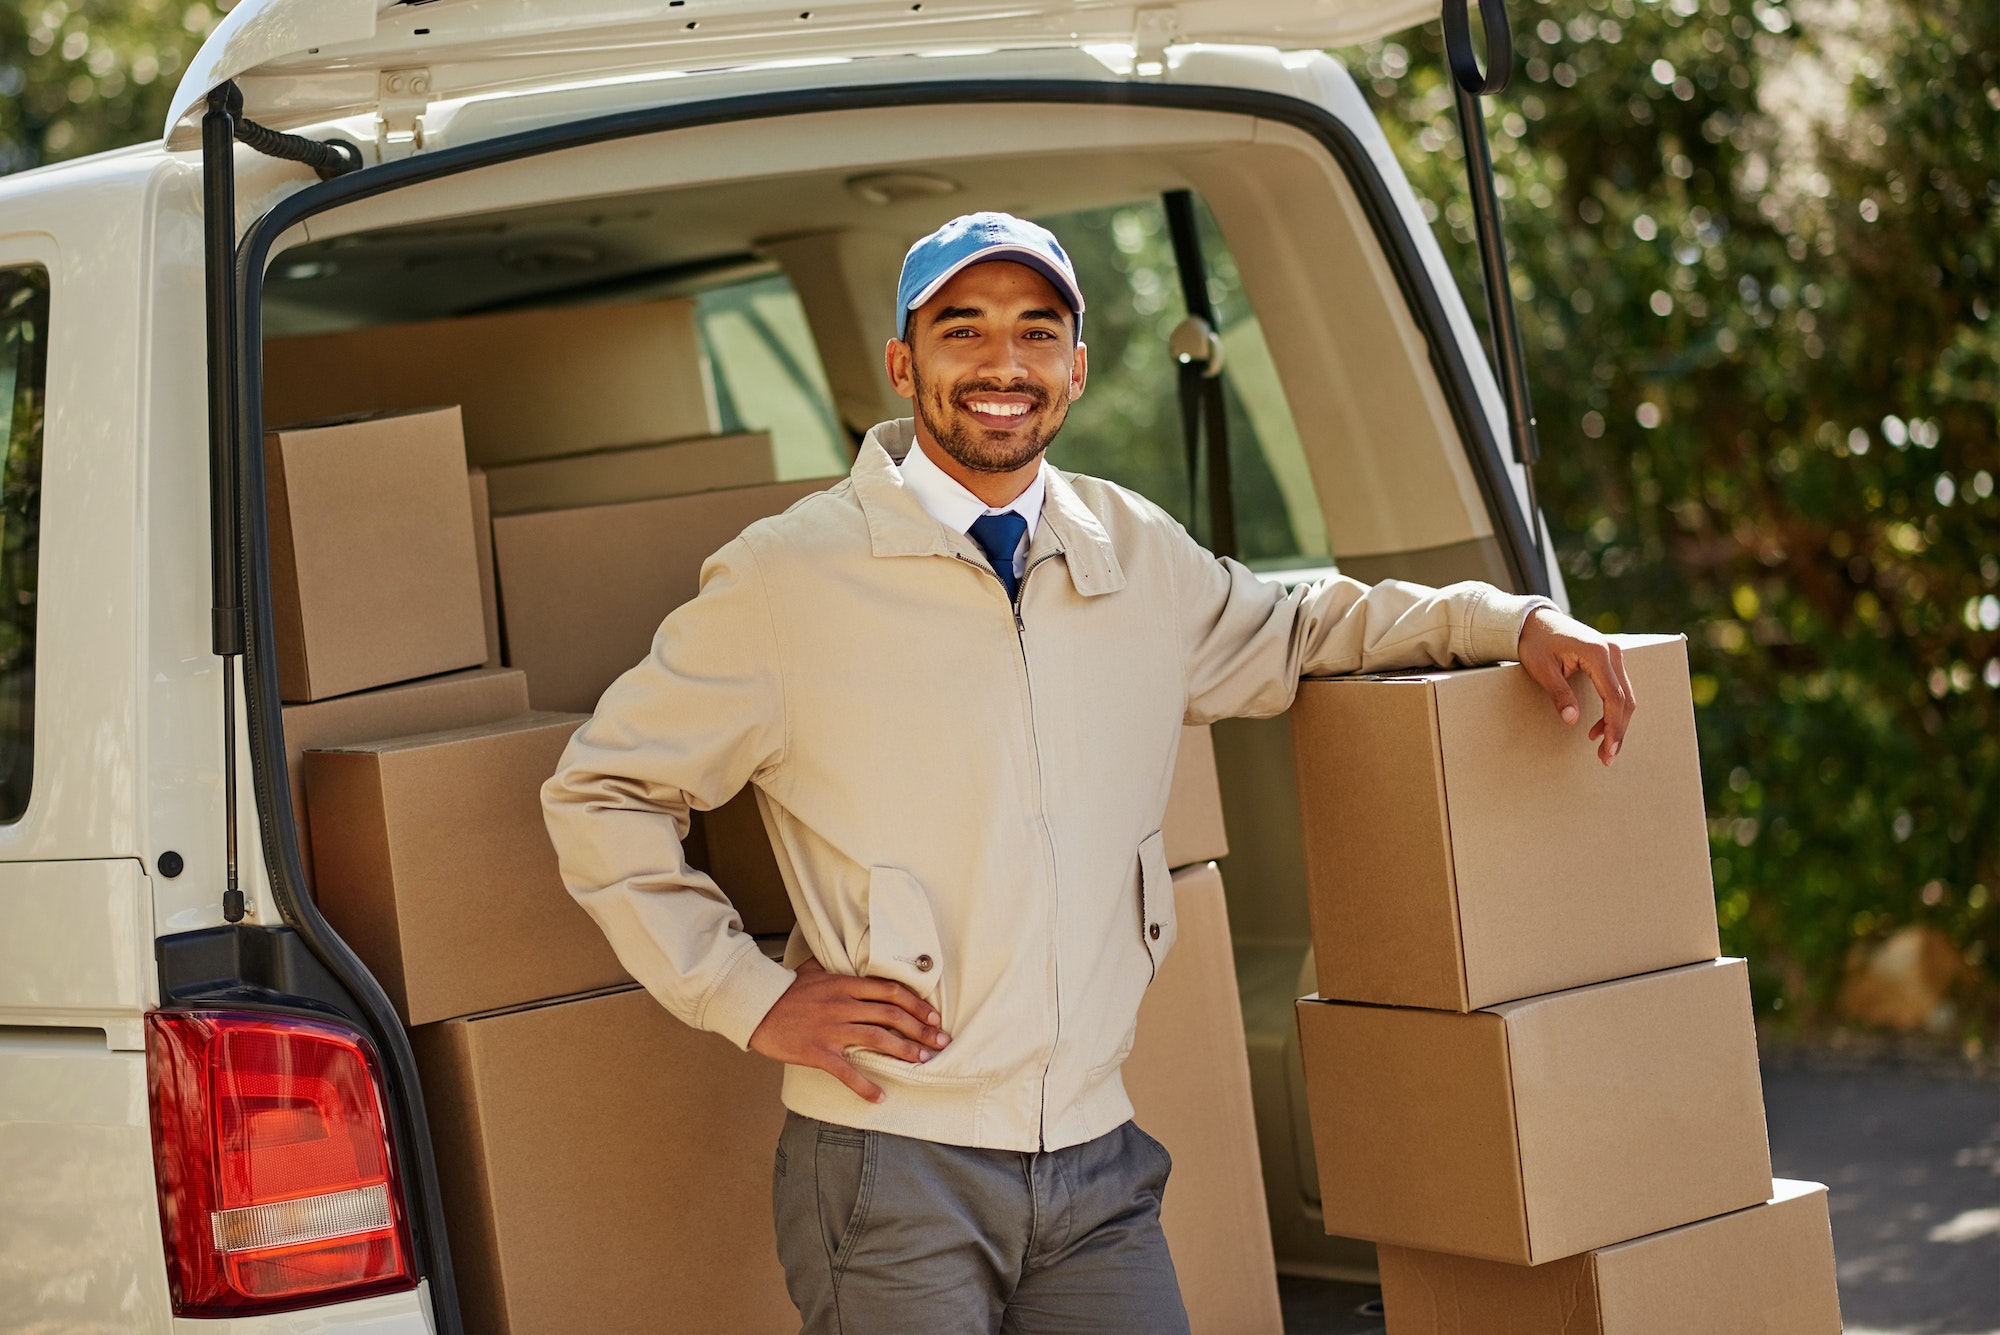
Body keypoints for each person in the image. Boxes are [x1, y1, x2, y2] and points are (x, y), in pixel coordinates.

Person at [542, 211, 1635, 1333]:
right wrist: (750, 998)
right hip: (889, 1166)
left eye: (1035, 330)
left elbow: (1303, 628)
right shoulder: (789, 576)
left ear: (1074, 364)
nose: (1001, 365)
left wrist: (1509, 620)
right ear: (902, 363)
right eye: (961, 330)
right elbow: (603, 791)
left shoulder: (1131, 550)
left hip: (1094, 1160)